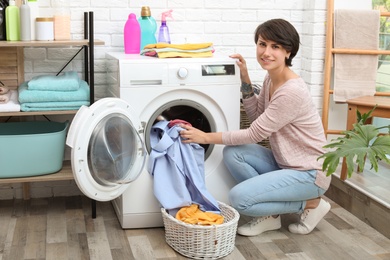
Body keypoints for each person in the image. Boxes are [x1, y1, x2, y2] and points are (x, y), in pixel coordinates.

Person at [179, 18, 331, 236]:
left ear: (288, 52)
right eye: (262, 44)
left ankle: (311, 204)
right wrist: (245, 78)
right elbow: (256, 117)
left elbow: (254, 133)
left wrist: (205, 137)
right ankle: (270, 217)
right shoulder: (272, 78)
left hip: (309, 174)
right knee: (234, 153)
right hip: (286, 164)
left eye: (275, 47)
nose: (266, 52)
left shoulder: (291, 91)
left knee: (239, 198)